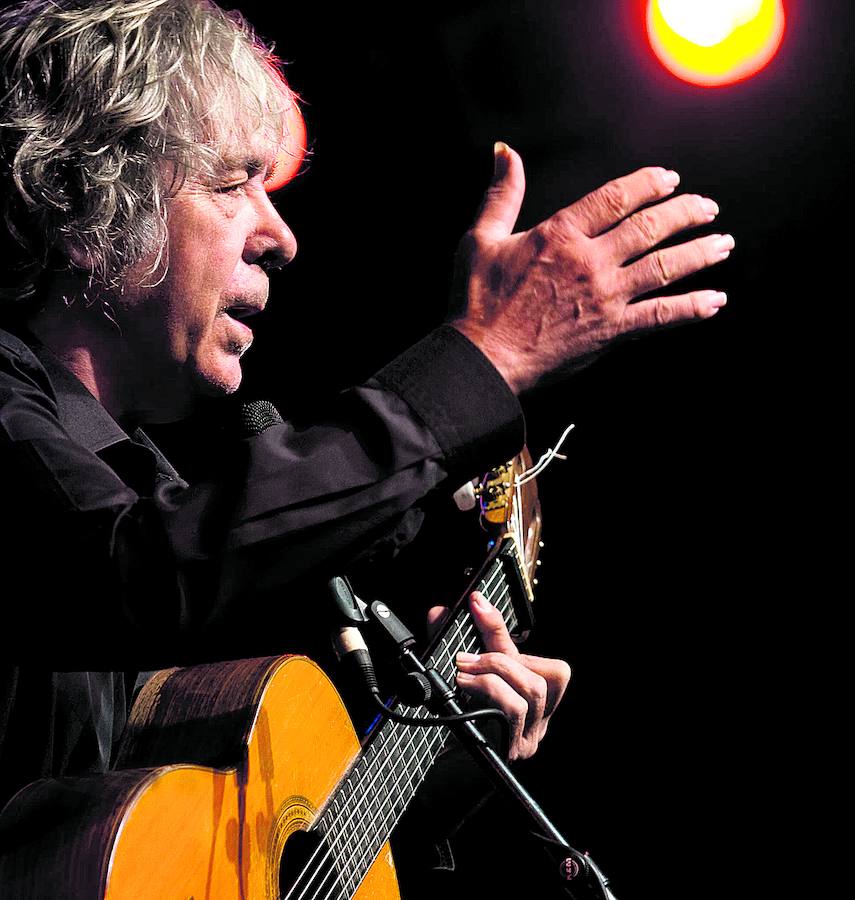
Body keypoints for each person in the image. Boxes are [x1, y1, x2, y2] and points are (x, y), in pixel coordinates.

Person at [0, 0, 733, 884]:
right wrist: (482, 362)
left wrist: (433, 769)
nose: (281, 237)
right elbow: (132, 575)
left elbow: (140, 858)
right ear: (80, 192)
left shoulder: (138, 492)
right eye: (234, 184)